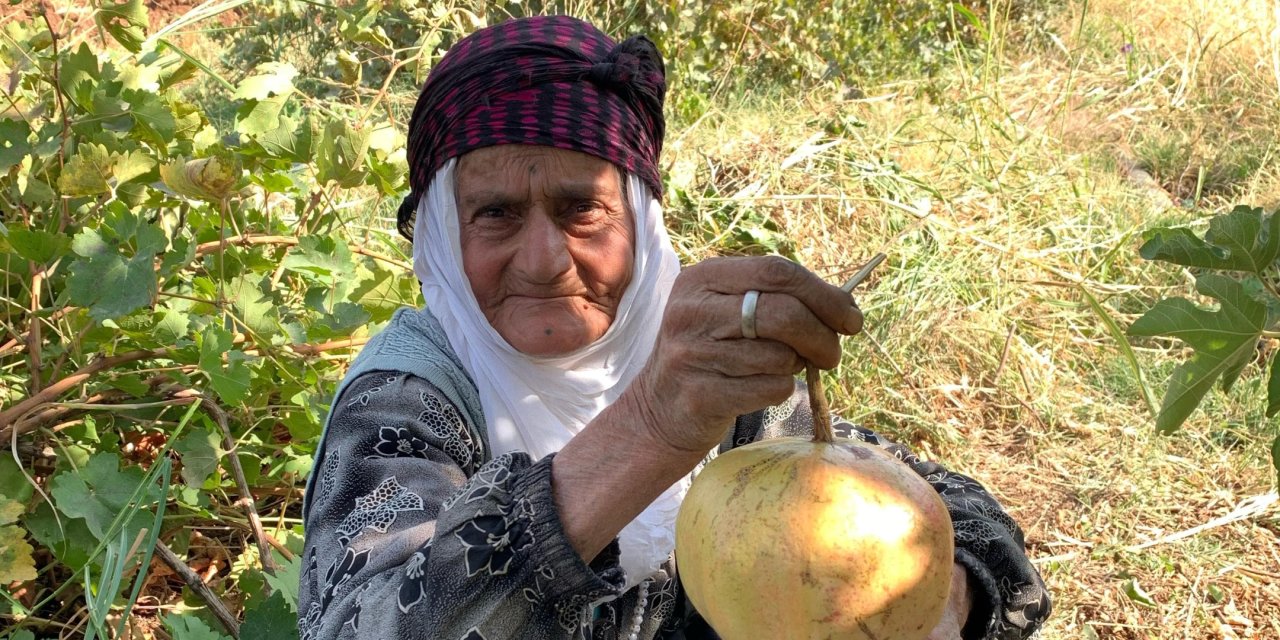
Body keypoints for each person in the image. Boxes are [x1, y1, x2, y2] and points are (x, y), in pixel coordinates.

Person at [298, 15, 1050, 640]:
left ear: (644, 226)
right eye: (495, 214)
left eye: (580, 209)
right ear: (440, 237)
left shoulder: (705, 365)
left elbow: (968, 531)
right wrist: (653, 427)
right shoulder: (408, 401)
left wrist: (921, 602)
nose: (544, 259)